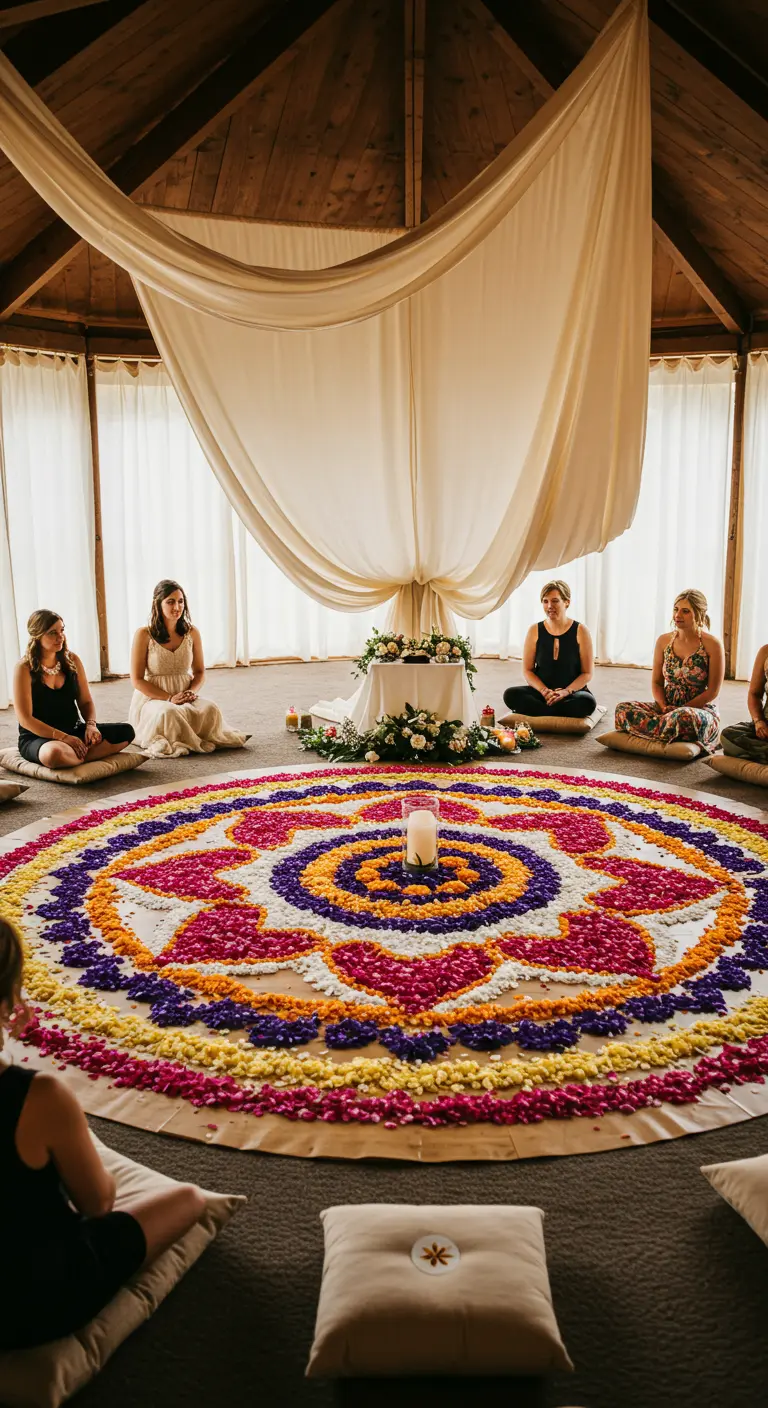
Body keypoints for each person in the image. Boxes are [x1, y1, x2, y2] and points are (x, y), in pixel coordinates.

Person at [0, 916, 206, 1351]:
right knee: (189, 1199)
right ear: (6, 1002)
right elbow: (98, 1204)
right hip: (28, 1306)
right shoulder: (39, 1096)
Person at [130, 579, 247, 758]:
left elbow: (199, 672)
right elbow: (137, 680)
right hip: (153, 697)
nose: (177, 606)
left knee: (211, 708)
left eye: (181, 601)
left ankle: (192, 731)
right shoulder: (144, 634)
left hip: (184, 693)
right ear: (157, 604)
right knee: (169, 712)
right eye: (170, 601)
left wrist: (190, 693)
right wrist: (169, 698)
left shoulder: (192, 633)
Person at [13, 610, 134, 768]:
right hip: (39, 738)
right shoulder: (23, 668)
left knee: (126, 731)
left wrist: (91, 725)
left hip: (74, 732)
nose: (60, 637)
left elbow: (85, 702)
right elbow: (25, 719)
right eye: (52, 633)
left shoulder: (72, 660)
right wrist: (63, 738)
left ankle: (75, 756)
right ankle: (79, 755)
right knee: (53, 754)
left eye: (62, 630)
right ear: (37, 636)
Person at [614, 589, 724, 750]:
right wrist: (663, 707)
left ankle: (659, 729)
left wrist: (680, 709)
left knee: (684, 718)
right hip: (666, 707)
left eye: (685, 611)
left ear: (699, 614)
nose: (678, 615)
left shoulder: (712, 644)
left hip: (696, 710)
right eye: (676, 609)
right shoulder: (664, 641)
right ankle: (668, 730)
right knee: (622, 709)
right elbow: (657, 682)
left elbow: (713, 691)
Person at [503, 579, 597, 719]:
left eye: (555, 601)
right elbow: (528, 670)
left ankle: (543, 711)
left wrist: (566, 691)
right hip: (542, 694)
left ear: (567, 602)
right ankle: (555, 710)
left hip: (571, 694)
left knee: (587, 702)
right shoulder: (534, 630)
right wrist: (544, 691)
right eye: (545, 601)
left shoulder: (581, 631)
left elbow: (587, 673)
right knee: (510, 694)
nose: (549, 606)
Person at [720, 643, 768, 762]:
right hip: (766, 726)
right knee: (728, 735)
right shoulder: (765, 651)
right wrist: (759, 721)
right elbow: (754, 694)